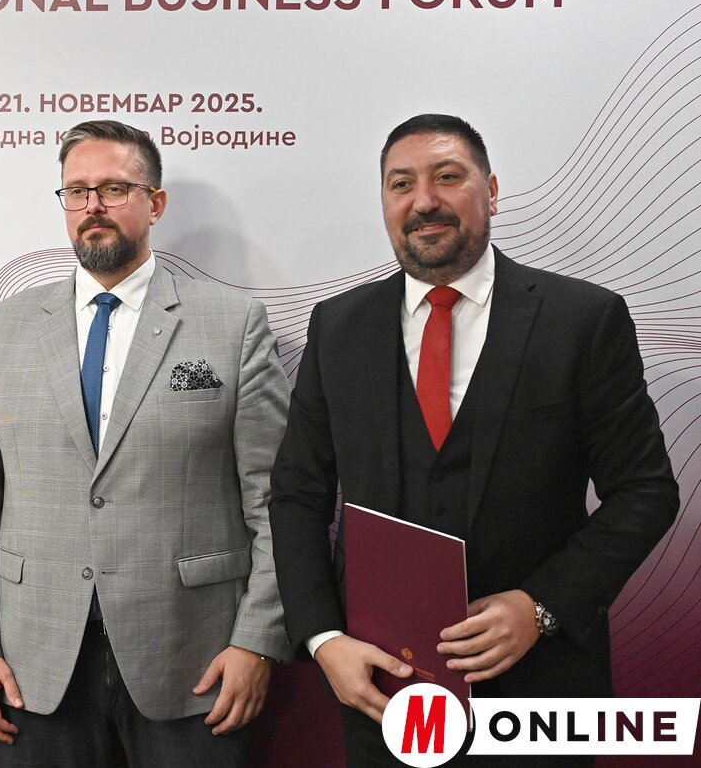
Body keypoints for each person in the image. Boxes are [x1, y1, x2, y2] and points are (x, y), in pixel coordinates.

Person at [269, 113, 680, 766]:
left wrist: (540, 606)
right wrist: (323, 639)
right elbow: (296, 493)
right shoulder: (338, 326)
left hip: (543, 687)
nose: (423, 201)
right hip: (382, 686)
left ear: (489, 191)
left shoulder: (583, 318)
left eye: (447, 177)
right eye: (401, 184)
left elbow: (644, 491)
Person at [0, 119, 292, 767]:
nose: (92, 206)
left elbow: (273, 503)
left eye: (113, 189)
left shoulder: (232, 324)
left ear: (155, 203)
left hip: (195, 659)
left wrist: (256, 640)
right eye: (76, 191)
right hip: (31, 661)